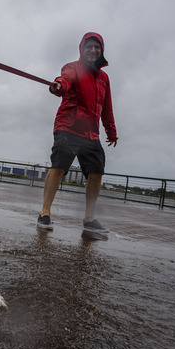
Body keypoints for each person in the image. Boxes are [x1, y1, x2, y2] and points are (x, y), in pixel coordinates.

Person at [37, 32, 118, 235]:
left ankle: (89, 218)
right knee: (59, 166)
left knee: (96, 172)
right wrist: (59, 87)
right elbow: (64, 80)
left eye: (96, 47)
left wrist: (111, 130)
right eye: (88, 47)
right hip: (68, 126)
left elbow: (107, 107)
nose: (93, 50)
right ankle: (44, 213)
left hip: (91, 133)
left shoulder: (104, 78)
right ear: (82, 50)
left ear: (101, 51)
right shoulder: (73, 67)